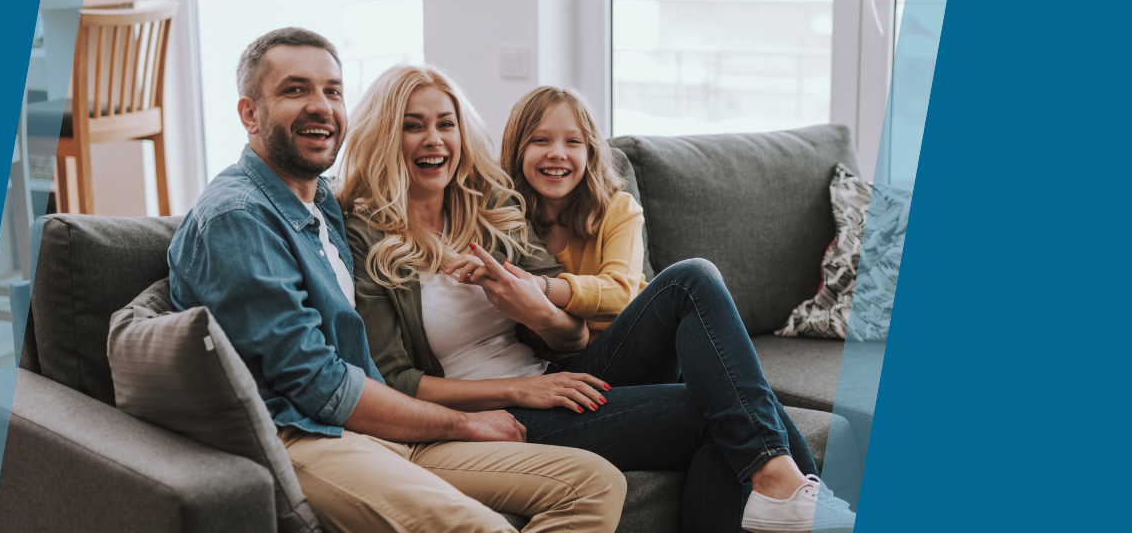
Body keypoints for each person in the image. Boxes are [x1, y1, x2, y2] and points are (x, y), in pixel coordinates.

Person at [339, 69, 856, 533]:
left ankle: (785, 486)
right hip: (496, 409)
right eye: (414, 125)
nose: (434, 139)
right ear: (387, 136)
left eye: (445, 124)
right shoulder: (365, 236)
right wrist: (523, 392)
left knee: (691, 281)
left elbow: (573, 335)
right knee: (720, 408)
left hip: (559, 376)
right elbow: (396, 382)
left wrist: (535, 307)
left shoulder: (487, 206)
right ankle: (794, 488)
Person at [167, 29, 625, 533]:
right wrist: (464, 422)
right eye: (295, 90)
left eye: (332, 91)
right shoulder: (240, 217)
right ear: (250, 114)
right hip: (314, 433)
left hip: (388, 430)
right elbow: (318, 386)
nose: (320, 106)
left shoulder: (319, 202)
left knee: (597, 484)